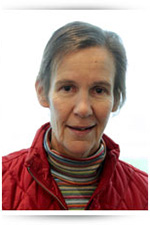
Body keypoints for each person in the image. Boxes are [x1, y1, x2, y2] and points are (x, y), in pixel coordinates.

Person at [2, 21, 148, 210]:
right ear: (42, 92)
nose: (83, 109)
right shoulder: (4, 178)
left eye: (99, 90)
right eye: (68, 88)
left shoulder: (145, 193)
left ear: (116, 98)